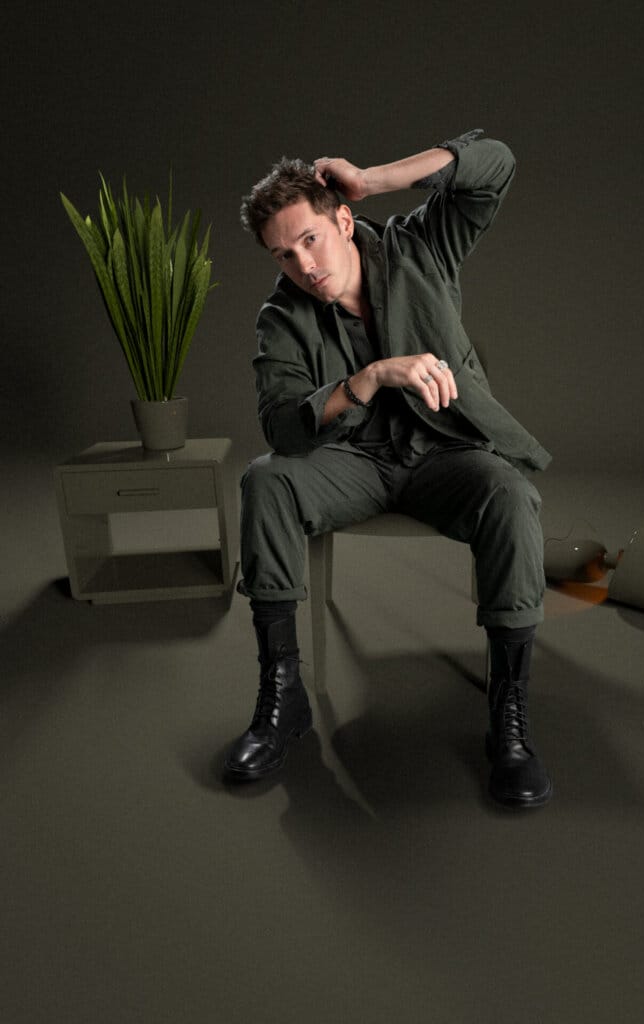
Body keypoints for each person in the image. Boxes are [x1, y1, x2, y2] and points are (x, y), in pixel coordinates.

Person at [227, 129, 553, 808]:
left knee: (511, 498)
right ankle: (282, 699)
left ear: (343, 220)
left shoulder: (419, 247)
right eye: (284, 255)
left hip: (447, 455)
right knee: (265, 480)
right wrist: (371, 378)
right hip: (352, 465)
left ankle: (510, 717)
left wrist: (376, 178)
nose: (304, 265)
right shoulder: (280, 318)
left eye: (310, 239)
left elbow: (496, 163)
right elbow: (283, 430)